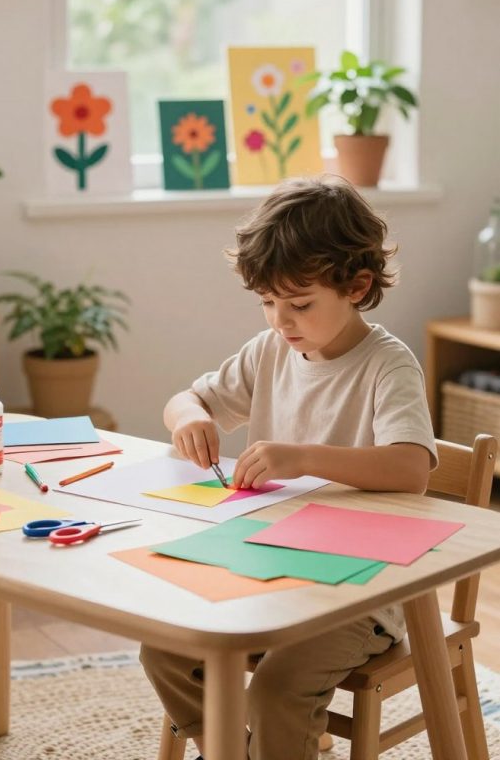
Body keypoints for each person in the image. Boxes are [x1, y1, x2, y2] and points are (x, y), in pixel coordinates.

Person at [140, 175, 437, 760]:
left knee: (277, 688)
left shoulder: (388, 365)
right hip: (267, 566)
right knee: (164, 648)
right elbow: (185, 398)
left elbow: (411, 470)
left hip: (361, 590)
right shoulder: (271, 350)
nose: (281, 320)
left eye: (299, 304)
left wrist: (300, 457)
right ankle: (229, 750)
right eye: (268, 303)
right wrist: (188, 419)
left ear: (357, 286)